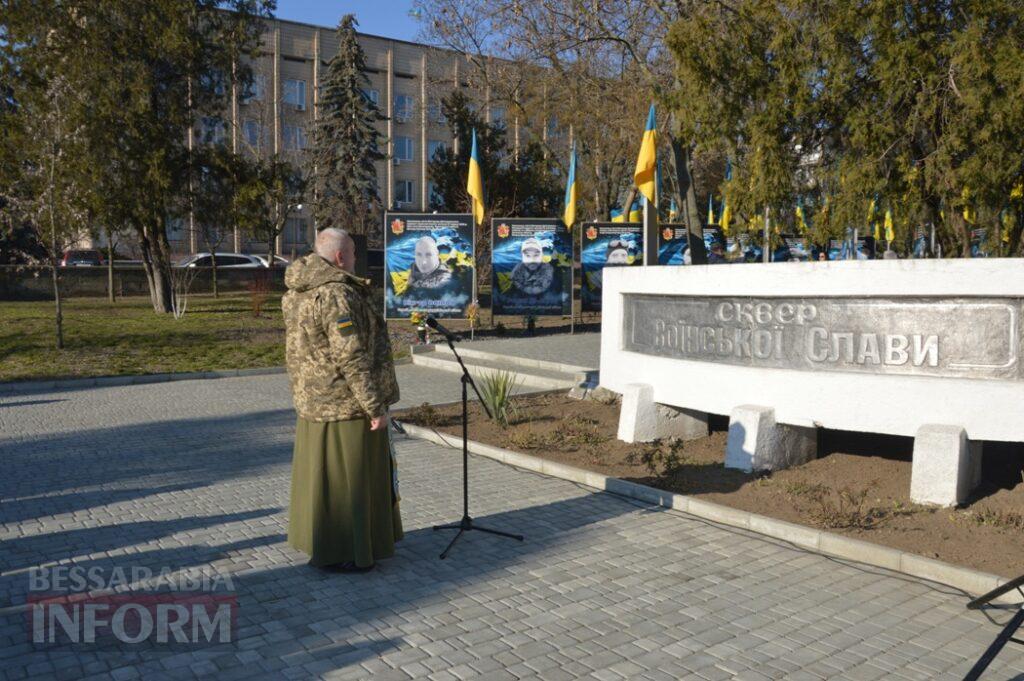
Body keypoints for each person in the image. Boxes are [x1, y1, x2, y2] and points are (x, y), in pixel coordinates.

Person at [282, 228, 402, 573]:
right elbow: (351, 356)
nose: (353, 259)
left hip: (314, 400)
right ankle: (350, 550)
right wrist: (374, 406)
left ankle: (324, 543)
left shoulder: (299, 291)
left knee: (322, 480)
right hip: (345, 406)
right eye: (351, 253)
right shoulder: (336, 295)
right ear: (340, 257)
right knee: (349, 482)